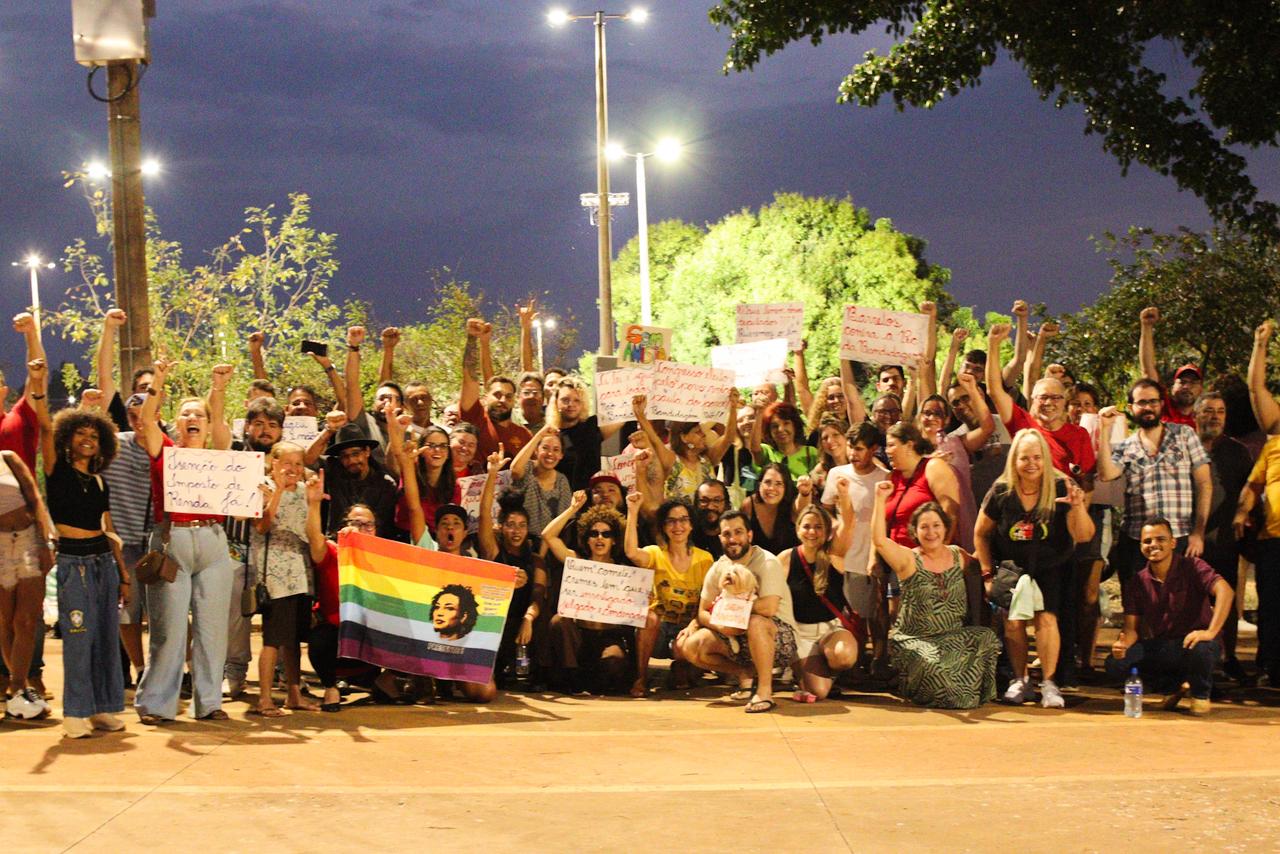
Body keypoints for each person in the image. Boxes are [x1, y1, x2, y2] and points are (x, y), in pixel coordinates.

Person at [135, 359, 237, 724]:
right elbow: (146, 421)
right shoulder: (163, 448)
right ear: (176, 423)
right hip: (171, 542)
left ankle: (209, 703)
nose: (192, 418)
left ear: (208, 425)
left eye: (199, 415)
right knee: (169, 630)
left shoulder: (217, 450)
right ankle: (156, 704)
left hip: (212, 541)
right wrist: (157, 380)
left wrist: (218, 388)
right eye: (185, 414)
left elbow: (222, 425)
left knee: (212, 631)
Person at [974, 429, 1095, 708]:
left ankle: (1050, 683)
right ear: (1014, 460)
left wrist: (1077, 508)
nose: (1031, 464)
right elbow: (981, 533)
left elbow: (1085, 535)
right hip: (1013, 566)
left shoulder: (1062, 486)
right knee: (1014, 622)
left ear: (1046, 458)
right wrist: (987, 574)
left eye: (1038, 457)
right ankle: (1020, 680)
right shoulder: (1001, 490)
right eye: (1024, 457)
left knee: (1046, 620)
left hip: (1052, 565)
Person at [40, 406, 128, 736]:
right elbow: (45, 430)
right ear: (68, 437)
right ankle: (75, 713)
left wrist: (123, 574)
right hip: (72, 563)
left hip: (103, 562)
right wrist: (38, 389)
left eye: (94, 435)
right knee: (79, 638)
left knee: (105, 638)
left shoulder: (100, 481)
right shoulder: (55, 469)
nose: (88, 440)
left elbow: (109, 528)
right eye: (81, 433)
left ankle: (102, 708)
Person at [871, 483, 1000, 709]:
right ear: (915, 531)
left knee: (985, 638)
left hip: (953, 637)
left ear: (945, 527)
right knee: (936, 668)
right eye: (924, 527)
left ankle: (960, 691)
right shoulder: (908, 560)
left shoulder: (958, 555)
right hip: (916, 640)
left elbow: (980, 560)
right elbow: (880, 541)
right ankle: (942, 689)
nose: (931, 532)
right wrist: (879, 499)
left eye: (936, 525)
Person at [1107, 519, 1234, 715]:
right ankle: (1170, 687)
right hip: (1165, 645)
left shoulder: (1193, 566)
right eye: (1147, 541)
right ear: (1140, 545)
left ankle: (1200, 694)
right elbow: (1131, 629)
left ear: (1173, 543)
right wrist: (1122, 645)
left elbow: (1225, 591)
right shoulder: (1137, 581)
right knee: (1116, 663)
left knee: (1201, 649)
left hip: (1197, 642)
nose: (1153, 545)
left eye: (1161, 539)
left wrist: (1210, 632)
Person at [676, 510, 799, 714]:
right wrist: (722, 625)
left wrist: (730, 612)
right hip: (731, 633)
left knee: (756, 622)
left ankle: (765, 691)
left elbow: (768, 608)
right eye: (726, 534)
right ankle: (744, 674)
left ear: (749, 535)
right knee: (689, 646)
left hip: (777, 636)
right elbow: (703, 611)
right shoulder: (718, 568)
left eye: (738, 532)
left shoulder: (767, 562)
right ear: (720, 538)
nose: (732, 539)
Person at [1096, 378, 1211, 588]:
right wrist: (1104, 429)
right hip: (1137, 541)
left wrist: (1198, 533)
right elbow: (1106, 474)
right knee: (1138, 611)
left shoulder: (1185, 435)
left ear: (1161, 403)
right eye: (1141, 403)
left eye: (1153, 401)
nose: (1148, 407)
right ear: (1131, 407)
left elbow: (1205, 484)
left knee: (1179, 609)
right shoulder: (1126, 446)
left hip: (1179, 537)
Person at [250, 442, 320, 716]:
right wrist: (277, 491)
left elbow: (311, 530)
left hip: (301, 573)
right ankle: (265, 698)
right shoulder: (263, 488)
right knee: (272, 639)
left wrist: (314, 501)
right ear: (274, 463)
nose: (293, 469)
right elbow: (262, 525)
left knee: (293, 639)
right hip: (275, 576)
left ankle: (293, 694)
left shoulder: (306, 492)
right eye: (287, 463)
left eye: (298, 464)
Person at [542, 494, 634, 694]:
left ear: (614, 540)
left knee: (614, 664)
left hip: (609, 636)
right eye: (594, 533)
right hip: (580, 637)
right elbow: (548, 536)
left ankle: (596, 680)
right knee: (559, 620)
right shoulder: (576, 561)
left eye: (606, 534)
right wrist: (573, 509)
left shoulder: (623, 570)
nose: (599, 538)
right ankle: (572, 675)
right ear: (586, 537)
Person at [623, 493, 713, 696]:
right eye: (671, 521)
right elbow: (631, 552)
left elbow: (707, 603)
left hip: (687, 628)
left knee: (684, 652)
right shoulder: (655, 553)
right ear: (663, 527)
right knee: (648, 617)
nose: (677, 526)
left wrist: (694, 625)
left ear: (691, 525)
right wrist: (632, 510)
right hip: (658, 632)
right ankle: (641, 676)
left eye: (683, 520)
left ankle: (681, 667)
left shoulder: (705, 559)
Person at [985, 322, 1096, 480]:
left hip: (1064, 502)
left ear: (1065, 401)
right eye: (1043, 397)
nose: (1049, 403)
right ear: (1032, 398)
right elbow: (995, 391)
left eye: (1056, 397)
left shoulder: (1079, 435)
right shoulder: (1023, 424)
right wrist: (993, 344)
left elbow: (1087, 481)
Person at [1194, 392, 1253, 681]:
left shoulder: (1237, 451)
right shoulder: (1183, 447)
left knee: (1225, 602)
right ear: (1196, 415)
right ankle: (1193, 659)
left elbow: (1249, 490)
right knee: (1191, 602)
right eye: (1208, 411)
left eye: (1220, 411)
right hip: (1188, 539)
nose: (1215, 416)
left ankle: (1229, 657)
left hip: (1225, 539)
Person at [476, 448, 546, 688]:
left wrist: (528, 617)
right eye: (511, 525)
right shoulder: (494, 551)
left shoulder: (535, 559)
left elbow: (539, 595)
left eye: (522, 525)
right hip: (495, 624)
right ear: (501, 527)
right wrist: (492, 474)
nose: (516, 531)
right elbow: (484, 514)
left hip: (524, 623)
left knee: (541, 621)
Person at [777, 502, 860, 701]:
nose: (811, 531)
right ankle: (807, 672)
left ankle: (824, 668)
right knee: (820, 692)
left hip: (830, 631)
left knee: (843, 656)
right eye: (806, 526)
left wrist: (844, 495)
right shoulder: (786, 558)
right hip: (800, 635)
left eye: (818, 527)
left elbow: (849, 523)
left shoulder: (834, 556)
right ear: (797, 529)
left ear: (827, 531)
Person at [100, 391, 153, 687]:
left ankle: (176, 670)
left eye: (144, 414)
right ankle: (141, 668)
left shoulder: (169, 446)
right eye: (132, 416)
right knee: (127, 614)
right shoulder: (115, 447)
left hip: (159, 546)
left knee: (167, 615)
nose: (138, 421)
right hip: (124, 547)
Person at [631, 391, 738, 501]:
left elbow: (729, 437)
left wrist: (733, 408)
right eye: (697, 432)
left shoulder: (708, 459)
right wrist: (640, 415)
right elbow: (654, 439)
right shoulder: (672, 461)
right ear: (683, 437)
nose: (704, 435)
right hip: (679, 517)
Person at [1235, 431, 1280, 686]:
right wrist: (1242, 512)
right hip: (1273, 539)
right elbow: (1253, 486)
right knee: (1271, 607)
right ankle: (1269, 667)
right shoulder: (1273, 446)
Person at [460, 318, 532, 458]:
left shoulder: (523, 434)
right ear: (485, 397)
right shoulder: (475, 419)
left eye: (508, 396)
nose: (503, 399)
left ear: (514, 401)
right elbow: (470, 379)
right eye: (497, 394)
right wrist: (472, 338)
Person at [324, 422, 400, 539]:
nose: (351, 460)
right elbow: (307, 459)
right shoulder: (334, 476)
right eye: (345, 456)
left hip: (372, 547)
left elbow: (384, 527)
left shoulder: (385, 485)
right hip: (337, 543)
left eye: (356, 453)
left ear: (367, 452)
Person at [548, 375, 625, 491]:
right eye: (565, 400)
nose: (571, 404)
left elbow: (624, 415)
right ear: (556, 403)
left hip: (593, 498)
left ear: (583, 403)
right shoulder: (552, 435)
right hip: (564, 500)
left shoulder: (592, 425)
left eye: (577, 400)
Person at [393, 423, 460, 539]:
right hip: (404, 536)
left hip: (437, 540)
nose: (437, 450)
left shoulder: (454, 485)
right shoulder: (410, 471)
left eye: (443, 446)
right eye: (431, 445)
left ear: (449, 453)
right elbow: (396, 456)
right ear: (421, 451)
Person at [1138, 306, 1200, 427]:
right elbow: (1148, 371)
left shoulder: (1204, 419)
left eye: (1193, 383)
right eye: (1182, 382)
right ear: (1172, 387)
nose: (1187, 386)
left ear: (1201, 389)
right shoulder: (1162, 408)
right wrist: (1146, 326)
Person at [509, 424, 572, 536]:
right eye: (545, 448)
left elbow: (562, 523)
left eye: (556, 450)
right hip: (519, 537)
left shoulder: (562, 481)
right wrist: (539, 435)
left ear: (561, 455)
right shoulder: (527, 468)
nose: (550, 454)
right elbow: (515, 470)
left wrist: (543, 551)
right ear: (536, 450)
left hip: (547, 541)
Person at [742, 463, 803, 556]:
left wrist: (805, 493)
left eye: (778, 483)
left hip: (790, 565)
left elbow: (802, 508)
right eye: (767, 482)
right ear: (759, 484)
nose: (771, 488)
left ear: (786, 487)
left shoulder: (793, 504)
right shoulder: (748, 505)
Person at [748, 401, 818, 482]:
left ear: (795, 426)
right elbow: (754, 449)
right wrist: (759, 413)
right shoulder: (768, 451)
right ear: (769, 431)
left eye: (786, 423)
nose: (780, 429)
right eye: (775, 426)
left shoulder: (810, 452)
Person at [691, 480, 729, 559]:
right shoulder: (687, 533)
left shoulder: (733, 535)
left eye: (717, 500)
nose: (710, 506)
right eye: (704, 501)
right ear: (696, 503)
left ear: (726, 504)